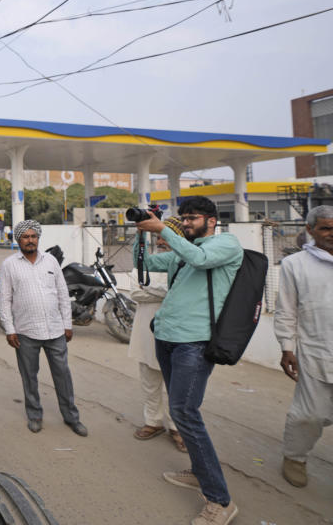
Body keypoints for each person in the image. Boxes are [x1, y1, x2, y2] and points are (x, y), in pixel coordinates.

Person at [136, 196, 242, 525]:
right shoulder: (182, 250)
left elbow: (200, 258)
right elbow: (146, 266)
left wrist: (167, 232)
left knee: (184, 411)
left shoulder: (225, 244)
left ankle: (219, 500)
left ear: (211, 220)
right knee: (181, 410)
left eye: (192, 218)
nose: (185, 223)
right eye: (182, 218)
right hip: (166, 338)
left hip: (194, 343)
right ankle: (199, 471)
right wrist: (141, 233)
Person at [0, 220, 87, 437]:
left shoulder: (51, 261)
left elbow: (63, 294)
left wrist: (67, 324)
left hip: (55, 330)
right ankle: (35, 415)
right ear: (19, 240)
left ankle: (71, 417)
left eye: (34, 236)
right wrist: (10, 329)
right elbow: (5, 299)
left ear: (38, 238)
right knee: (30, 376)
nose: (30, 240)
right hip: (26, 332)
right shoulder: (9, 264)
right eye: (26, 237)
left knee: (63, 375)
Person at [274, 205, 333, 488]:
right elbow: (286, 310)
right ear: (310, 230)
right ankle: (295, 457)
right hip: (316, 350)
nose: (332, 233)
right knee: (311, 414)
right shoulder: (294, 264)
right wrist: (287, 347)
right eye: (325, 228)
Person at [128, 216, 187, 453]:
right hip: (146, 330)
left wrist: (152, 289)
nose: (161, 240)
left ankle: (177, 427)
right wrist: (168, 291)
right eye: (159, 236)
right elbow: (135, 292)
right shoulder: (146, 260)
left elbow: (180, 291)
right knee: (150, 382)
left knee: (177, 385)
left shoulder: (185, 260)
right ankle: (153, 422)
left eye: (165, 236)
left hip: (175, 332)